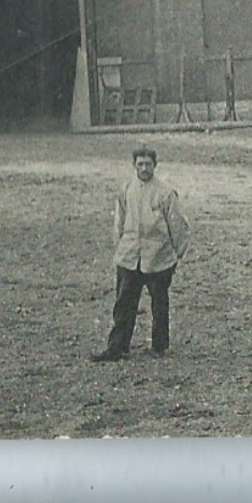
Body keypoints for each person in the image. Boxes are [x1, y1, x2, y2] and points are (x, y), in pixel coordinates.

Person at [91, 146, 189, 361]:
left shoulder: (165, 193)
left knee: (159, 303)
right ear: (134, 165)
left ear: (155, 165)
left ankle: (160, 346)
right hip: (130, 256)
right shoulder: (126, 189)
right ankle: (117, 347)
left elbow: (178, 224)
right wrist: (120, 248)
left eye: (148, 164)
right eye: (140, 164)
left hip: (158, 258)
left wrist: (176, 254)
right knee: (124, 303)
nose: (144, 168)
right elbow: (119, 221)